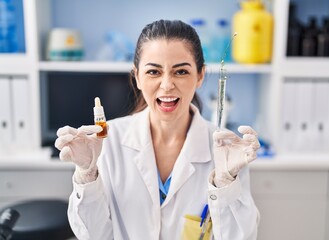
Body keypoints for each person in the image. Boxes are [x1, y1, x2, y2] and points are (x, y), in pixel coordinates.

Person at [55, 19, 260, 240]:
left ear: (200, 75)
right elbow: (94, 236)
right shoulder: (108, 142)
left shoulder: (224, 151)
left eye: (180, 72)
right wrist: (86, 174)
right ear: (137, 77)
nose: (167, 84)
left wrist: (225, 182)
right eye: (154, 72)